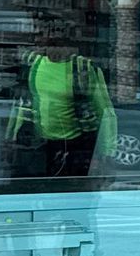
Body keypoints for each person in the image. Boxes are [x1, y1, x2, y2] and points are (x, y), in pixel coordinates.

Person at [7, 33, 117, 178]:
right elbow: (21, 105)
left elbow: (103, 109)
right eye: (51, 46)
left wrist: (106, 151)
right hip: (38, 145)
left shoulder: (83, 68)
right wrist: (10, 138)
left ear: (72, 49)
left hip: (76, 145)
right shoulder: (34, 64)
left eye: (61, 46)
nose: (56, 51)